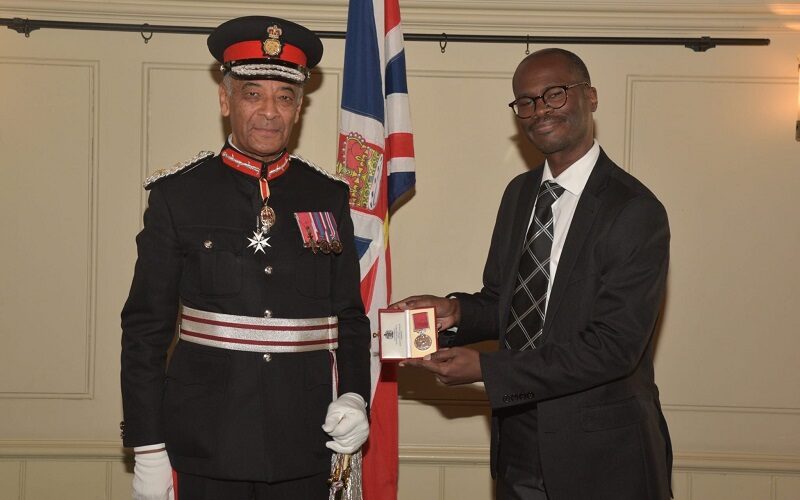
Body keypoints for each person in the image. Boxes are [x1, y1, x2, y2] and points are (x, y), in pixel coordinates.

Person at [394, 48, 672, 500]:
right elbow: (508, 303)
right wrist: (454, 311)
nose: (539, 110)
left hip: (602, 457)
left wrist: (487, 369)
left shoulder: (634, 210)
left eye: (554, 94)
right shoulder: (520, 194)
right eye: (526, 101)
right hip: (517, 444)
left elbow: (614, 348)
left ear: (591, 97)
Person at [120, 16, 371, 500]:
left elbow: (349, 319)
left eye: (284, 97)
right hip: (206, 445)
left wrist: (356, 396)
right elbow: (145, 332)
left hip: (308, 442)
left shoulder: (328, 194)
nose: (269, 112)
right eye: (253, 93)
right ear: (225, 99)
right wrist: (148, 447)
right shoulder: (179, 197)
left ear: (299, 108)